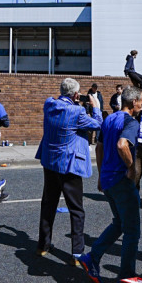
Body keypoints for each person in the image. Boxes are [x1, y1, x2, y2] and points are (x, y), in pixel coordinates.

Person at [77, 86, 142, 283]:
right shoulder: (130, 121)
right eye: (141, 102)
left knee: (119, 224)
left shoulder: (109, 119)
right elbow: (122, 145)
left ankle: (92, 257)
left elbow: (99, 147)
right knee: (132, 231)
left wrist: (100, 175)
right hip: (121, 181)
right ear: (133, 103)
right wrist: (132, 169)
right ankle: (126, 278)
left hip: (107, 180)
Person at [35, 78, 102, 262]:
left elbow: (56, 101)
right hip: (70, 165)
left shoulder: (49, 104)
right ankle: (76, 253)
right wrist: (95, 106)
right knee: (76, 210)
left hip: (50, 163)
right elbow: (98, 124)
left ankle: (43, 245)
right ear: (76, 95)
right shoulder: (78, 111)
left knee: (48, 204)